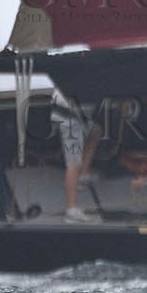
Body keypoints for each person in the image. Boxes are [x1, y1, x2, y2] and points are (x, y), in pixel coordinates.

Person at [50, 87, 101, 223]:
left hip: (79, 115)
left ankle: (81, 176)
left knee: (95, 131)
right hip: (69, 116)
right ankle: (71, 210)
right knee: (73, 163)